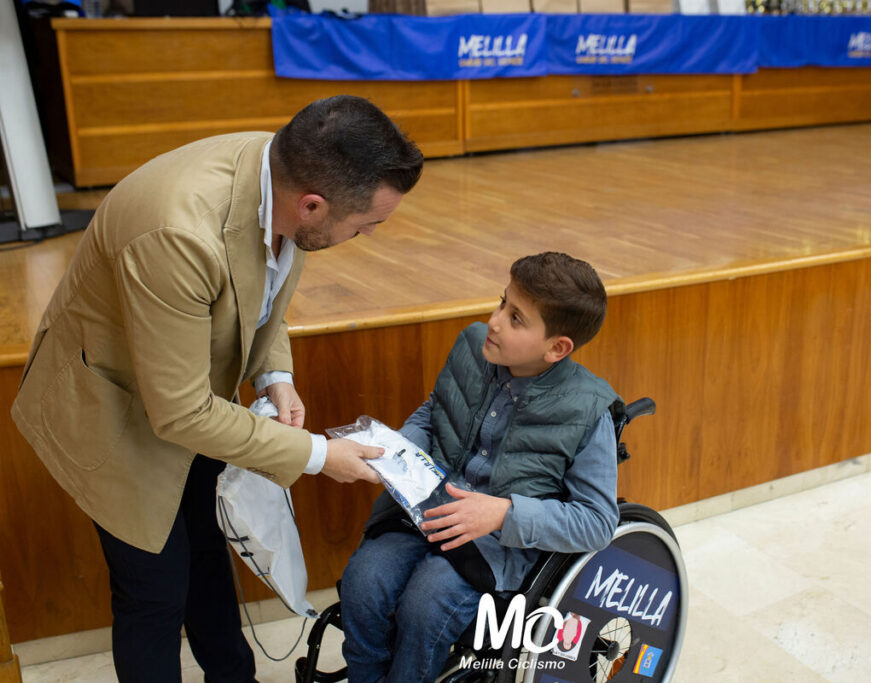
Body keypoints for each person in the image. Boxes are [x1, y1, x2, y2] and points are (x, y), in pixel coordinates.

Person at [10, 95, 423, 682]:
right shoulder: (177, 232)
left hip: (192, 390)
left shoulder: (283, 170)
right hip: (109, 403)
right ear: (312, 205)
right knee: (153, 589)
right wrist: (319, 457)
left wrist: (275, 375)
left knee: (206, 550)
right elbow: (178, 413)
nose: (365, 236)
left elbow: (261, 286)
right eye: (365, 226)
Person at [339, 252, 624, 683]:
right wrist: (396, 452)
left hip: (496, 543)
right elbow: (434, 412)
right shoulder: (473, 346)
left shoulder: (589, 411)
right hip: (425, 508)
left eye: (515, 319)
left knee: (425, 604)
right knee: (363, 581)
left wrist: (502, 513)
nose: (493, 321)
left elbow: (598, 522)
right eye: (501, 303)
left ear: (557, 347)